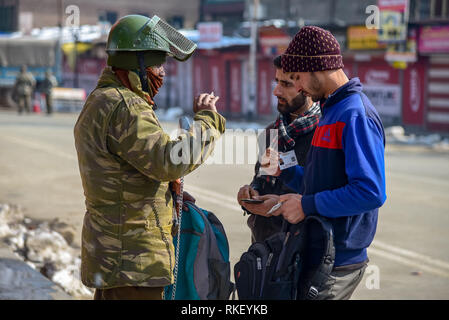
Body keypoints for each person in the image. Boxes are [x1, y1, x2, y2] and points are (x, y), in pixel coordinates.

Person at [73, 14, 226, 300]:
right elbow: (169, 160)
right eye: (157, 64)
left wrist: (166, 194)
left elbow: (129, 173)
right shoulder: (125, 106)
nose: (162, 73)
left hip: (115, 257)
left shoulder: (102, 98)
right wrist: (207, 122)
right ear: (136, 63)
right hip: (134, 261)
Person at [254, 26, 387, 300]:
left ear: (317, 67)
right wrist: (287, 172)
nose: (299, 86)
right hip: (316, 249)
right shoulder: (332, 110)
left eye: (298, 78)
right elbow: (322, 182)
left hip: (336, 258)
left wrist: (306, 205)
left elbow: (370, 192)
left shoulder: (354, 115)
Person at [236, 55, 321, 243]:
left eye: (286, 84)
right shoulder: (270, 134)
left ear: (306, 87)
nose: (276, 91)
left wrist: (280, 204)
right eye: (277, 82)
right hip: (264, 248)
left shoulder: (322, 134)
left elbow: (323, 193)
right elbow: (263, 178)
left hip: (302, 249)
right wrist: (251, 192)